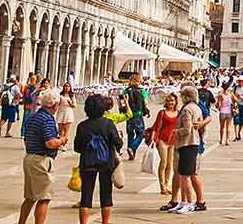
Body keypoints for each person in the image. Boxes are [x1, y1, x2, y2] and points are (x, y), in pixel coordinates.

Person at [18, 90, 66, 224]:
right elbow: (50, 143)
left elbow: (27, 139)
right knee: (44, 198)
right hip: (41, 160)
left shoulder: (33, 117)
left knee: (30, 197)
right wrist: (61, 140)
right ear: (54, 105)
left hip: (29, 157)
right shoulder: (48, 119)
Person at [74, 94, 122, 224]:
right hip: (106, 163)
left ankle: (83, 222)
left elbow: (77, 147)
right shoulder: (108, 123)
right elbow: (118, 143)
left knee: (86, 195)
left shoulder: (82, 126)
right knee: (106, 195)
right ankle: (105, 222)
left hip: (87, 163)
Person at [171, 86, 211, 214]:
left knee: (186, 175)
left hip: (188, 143)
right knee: (185, 174)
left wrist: (176, 132)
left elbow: (187, 129)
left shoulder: (187, 109)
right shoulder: (197, 107)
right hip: (194, 142)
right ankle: (184, 202)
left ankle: (190, 202)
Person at [149, 94, 180, 199]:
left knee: (170, 164)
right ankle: (162, 185)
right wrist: (153, 139)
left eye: (172, 101)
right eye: (169, 101)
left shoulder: (178, 113)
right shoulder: (162, 113)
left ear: (176, 102)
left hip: (173, 141)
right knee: (163, 162)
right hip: (162, 140)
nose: (171, 103)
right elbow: (156, 126)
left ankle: (167, 184)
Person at [123, 76, 148, 157]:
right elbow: (145, 102)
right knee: (140, 133)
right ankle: (132, 147)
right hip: (138, 114)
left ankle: (132, 153)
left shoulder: (126, 91)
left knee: (130, 133)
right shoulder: (142, 91)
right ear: (138, 82)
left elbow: (121, 102)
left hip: (129, 115)